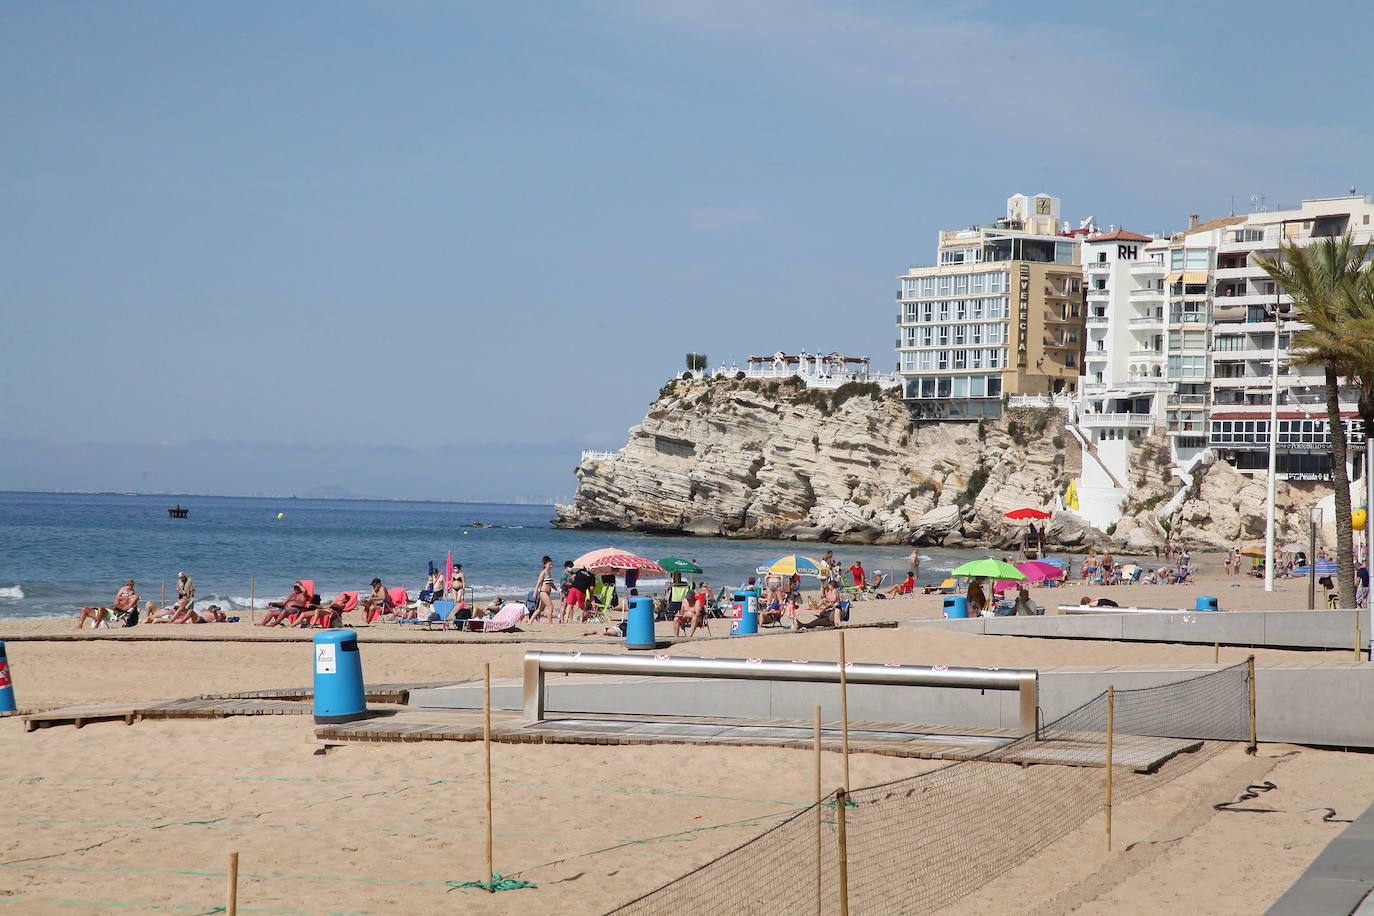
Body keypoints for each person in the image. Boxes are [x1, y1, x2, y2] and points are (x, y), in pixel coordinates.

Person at [531, 556, 555, 622]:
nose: (551, 566)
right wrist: (535, 593)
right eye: (550, 565)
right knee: (551, 607)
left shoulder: (549, 573)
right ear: (545, 565)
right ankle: (550, 623)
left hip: (547, 593)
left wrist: (557, 590)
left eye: (552, 565)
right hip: (543, 592)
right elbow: (538, 583)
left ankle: (530, 621)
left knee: (540, 609)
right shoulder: (543, 573)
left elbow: (551, 584)